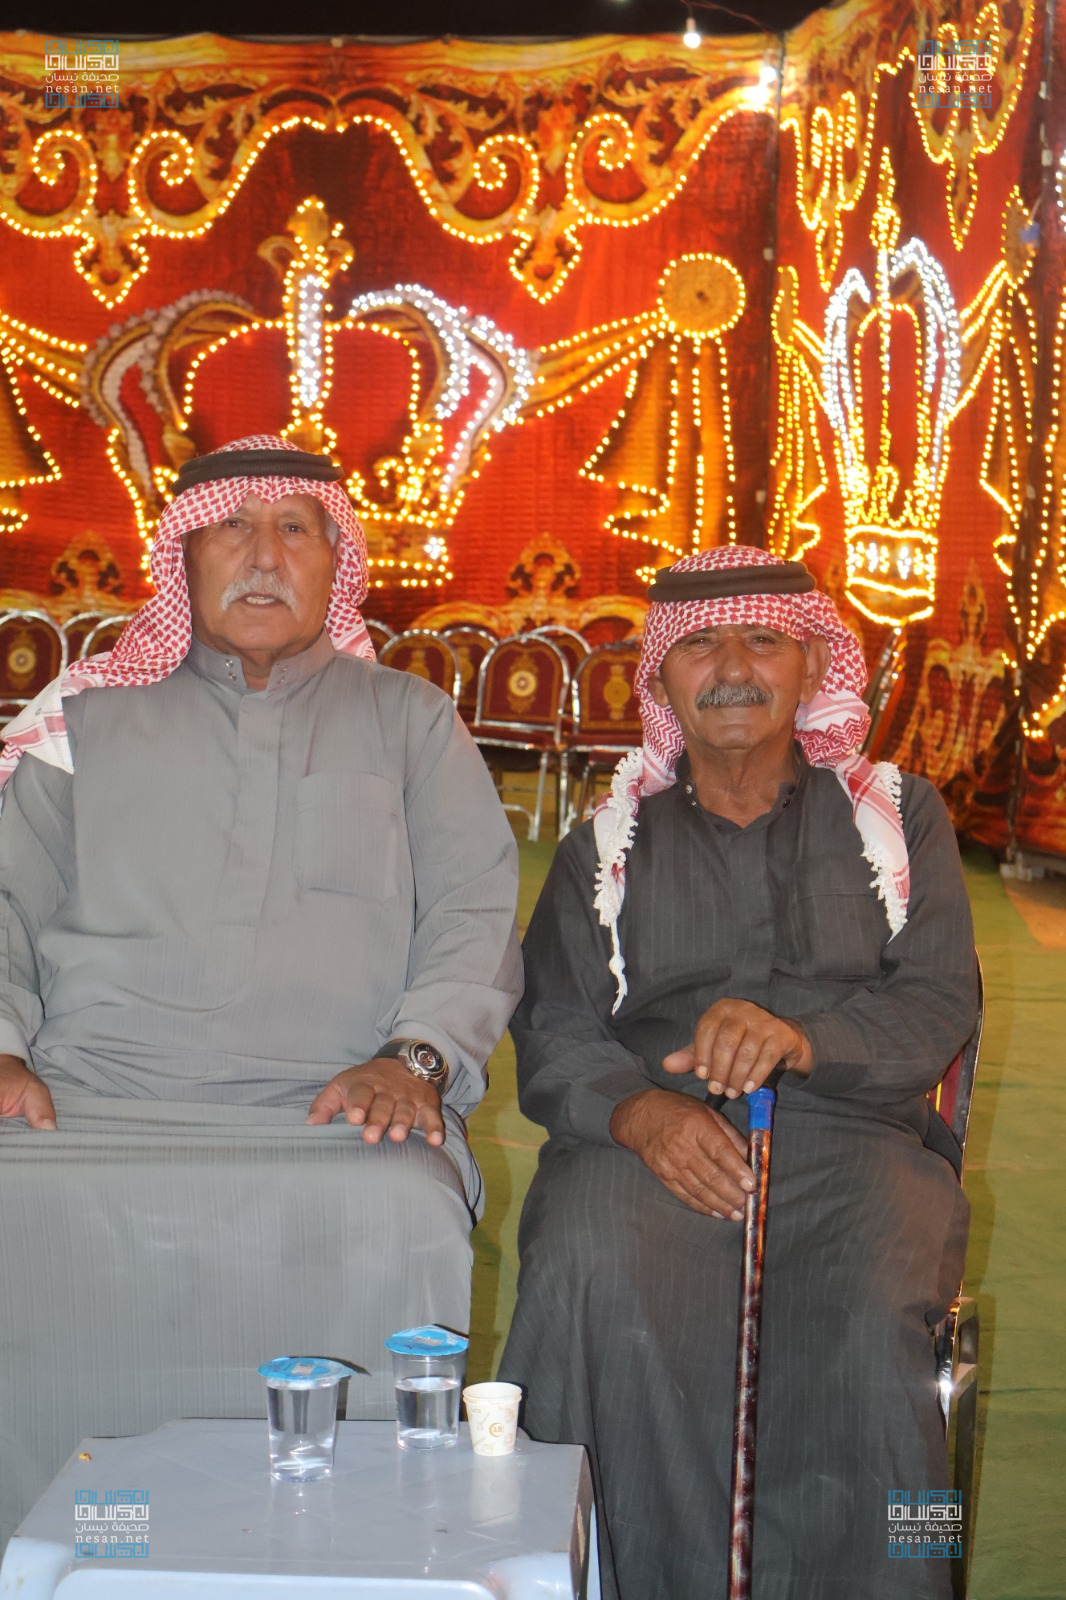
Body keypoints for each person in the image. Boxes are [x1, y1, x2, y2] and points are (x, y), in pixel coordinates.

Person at [0, 434, 522, 1540]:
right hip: (94, 1100)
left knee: (403, 1207)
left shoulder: (410, 721)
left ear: (338, 563)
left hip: (329, 1105)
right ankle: (54, 1546)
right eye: (231, 528)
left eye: (295, 530)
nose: (264, 556)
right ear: (181, 560)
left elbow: (474, 912)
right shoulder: (79, 722)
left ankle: (353, 1549)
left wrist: (415, 1057)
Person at [499, 545, 977, 1600]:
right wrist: (639, 1115)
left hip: (853, 1140)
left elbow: (938, 999)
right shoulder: (604, 848)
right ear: (661, 678)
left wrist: (805, 1039)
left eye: (763, 640)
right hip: (652, 1144)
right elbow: (556, 1025)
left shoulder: (899, 819)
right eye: (699, 645)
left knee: (872, 1316)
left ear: (814, 666)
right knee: (587, 1263)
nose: (731, 668)